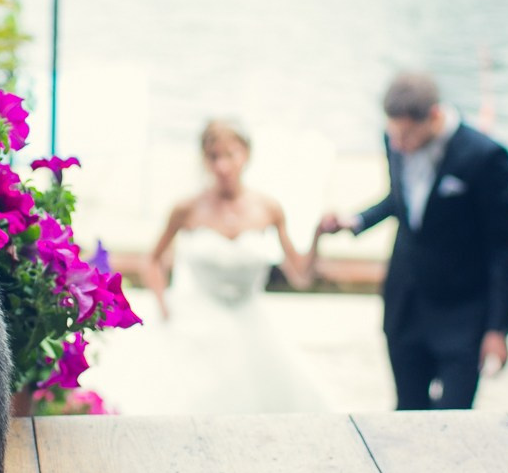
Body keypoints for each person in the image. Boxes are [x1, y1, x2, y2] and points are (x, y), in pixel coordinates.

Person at [88, 120, 329, 414]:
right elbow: (151, 260)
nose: (223, 166)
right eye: (214, 156)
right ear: (204, 159)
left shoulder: (269, 208)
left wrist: (317, 235)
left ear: (247, 155)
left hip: (251, 321)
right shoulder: (187, 208)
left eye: (231, 155)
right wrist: (163, 303)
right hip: (197, 321)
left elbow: (301, 276)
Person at [318, 72, 508, 411]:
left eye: (407, 134)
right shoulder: (395, 139)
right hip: (406, 304)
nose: (397, 144)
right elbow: (402, 199)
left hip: (463, 312)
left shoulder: (485, 157)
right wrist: (356, 221)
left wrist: (498, 329)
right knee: (406, 412)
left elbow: (506, 247)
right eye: (393, 133)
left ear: (435, 117)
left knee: (452, 419)